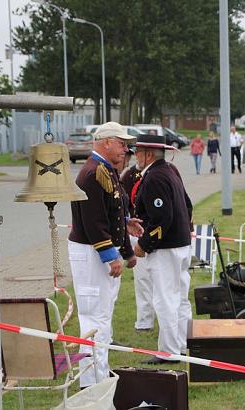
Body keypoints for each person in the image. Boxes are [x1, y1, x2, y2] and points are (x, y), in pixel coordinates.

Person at [67, 122, 142, 388]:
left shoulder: (105, 171)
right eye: (121, 143)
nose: (125, 149)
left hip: (95, 250)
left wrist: (127, 223)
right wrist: (111, 255)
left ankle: (100, 374)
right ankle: (91, 381)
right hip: (90, 252)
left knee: (103, 315)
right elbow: (94, 220)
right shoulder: (93, 173)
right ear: (106, 142)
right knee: (93, 317)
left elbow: (113, 209)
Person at [132, 134, 193, 364]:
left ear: (148, 154)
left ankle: (169, 351)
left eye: (138, 152)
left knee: (165, 299)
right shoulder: (170, 171)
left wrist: (143, 245)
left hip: (167, 247)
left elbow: (161, 218)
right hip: (180, 243)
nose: (135, 156)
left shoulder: (155, 177)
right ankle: (184, 343)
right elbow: (187, 205)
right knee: (180, 298)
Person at [120, 158, 155, 332]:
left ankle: (167, 321)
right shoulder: (129, 175)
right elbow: (122, 204)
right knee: (142, 280)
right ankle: (144, 320)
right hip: (138, 233)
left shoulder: (163, 173)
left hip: (158, 234)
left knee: (162, 282)